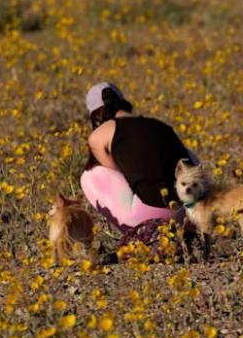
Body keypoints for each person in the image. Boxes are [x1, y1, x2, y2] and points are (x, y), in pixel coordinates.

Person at [79, 82, 200, 242]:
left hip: (150, 216)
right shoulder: (161, 125)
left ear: (95, 115)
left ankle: (143, 234)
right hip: (188, 213)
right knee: (187, 153)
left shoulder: (99, 136)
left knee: (90, 176)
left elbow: (119, 175)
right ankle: (189, 228)